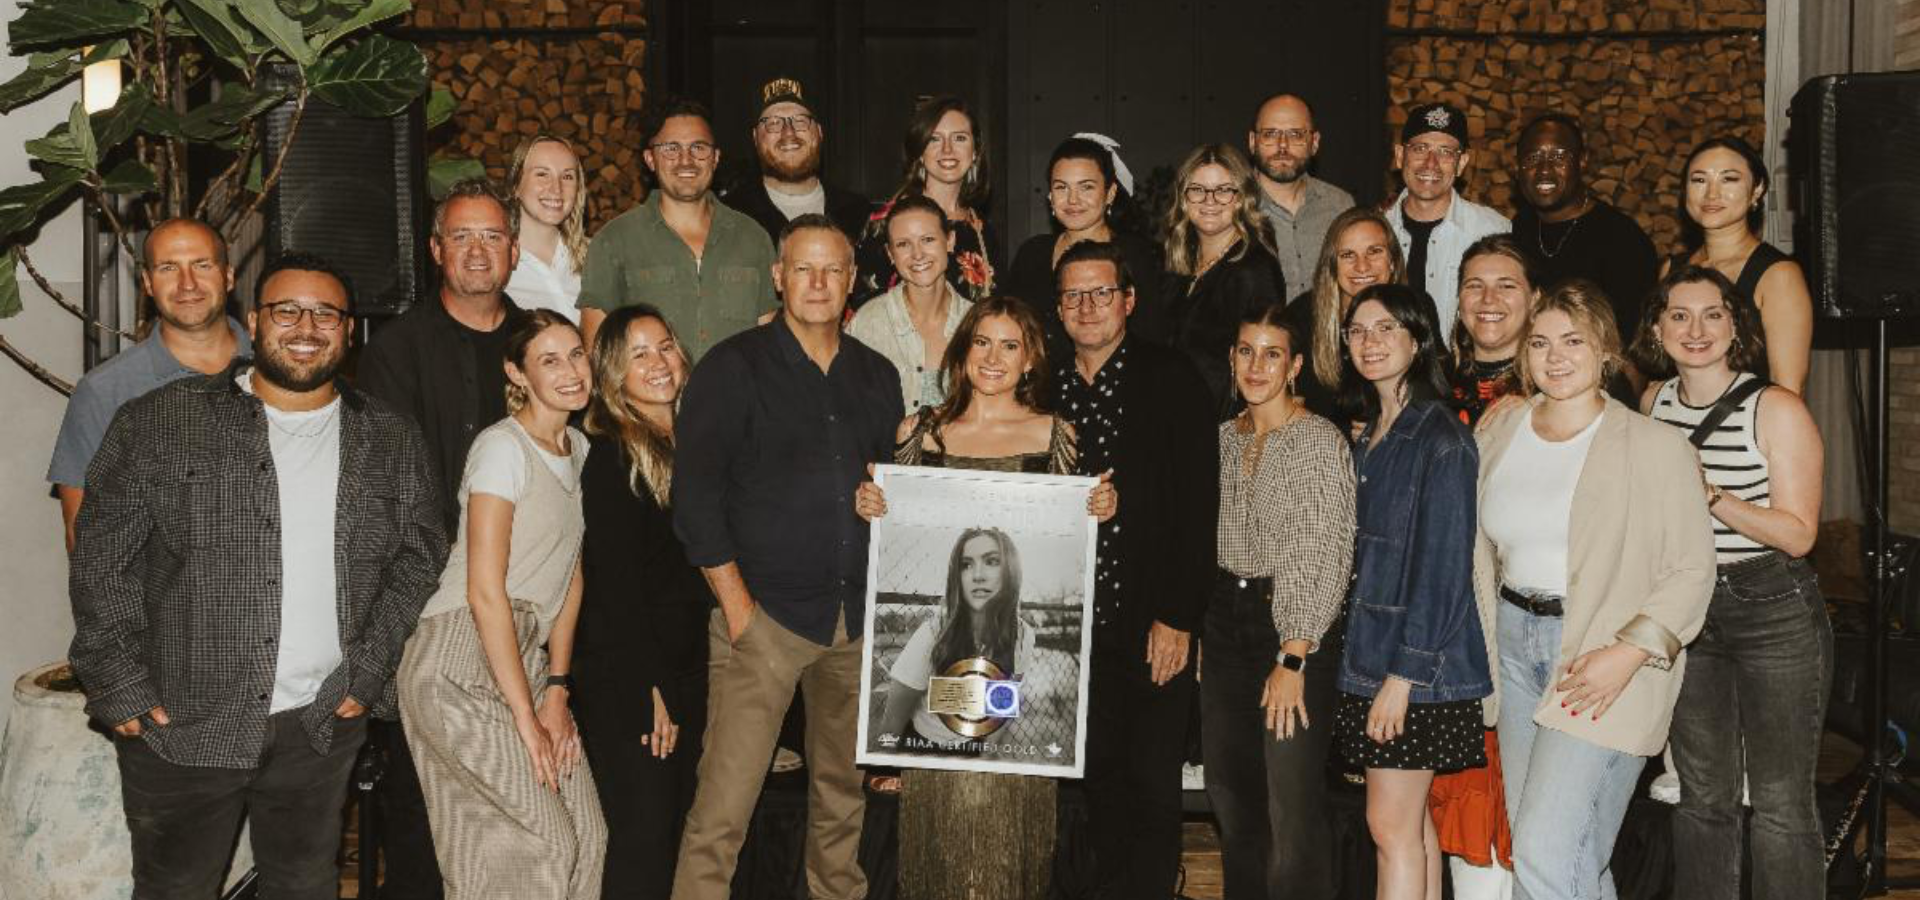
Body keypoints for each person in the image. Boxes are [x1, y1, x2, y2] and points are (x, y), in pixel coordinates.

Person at [68, 253, 446, 900]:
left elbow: (419, 556)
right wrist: (119, 685)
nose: (307, 325)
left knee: (303, 885)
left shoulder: (389, 439)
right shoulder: (162, 422)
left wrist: (370, 669)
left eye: (326, 313)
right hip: (181, 725)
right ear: (254, 321)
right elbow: (103, 559)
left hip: (320, 726)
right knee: (174, 890)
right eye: (287, 310)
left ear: (349, 331)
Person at [668, 214, 904, 900]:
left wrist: (877, 501)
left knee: (842, 802)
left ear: (852, 280)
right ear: (779, 276)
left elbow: (885, 484)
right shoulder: (732, 367)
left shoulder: (877, 375)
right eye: (804, 268)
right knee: (722, 811)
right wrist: (738, 609)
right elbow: (695, 500)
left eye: (833, 269)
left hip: (852, 623)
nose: (818, 282)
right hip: (761, 620)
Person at [854, 295, 1118, 900]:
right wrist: (870, 505)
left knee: (1005, 842)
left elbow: (1071, 537)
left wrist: (1100, 507)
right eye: (981, 342)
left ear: (1030, 360)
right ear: (961, 351)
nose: (993, 357)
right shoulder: (919, 434)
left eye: (1009, 345)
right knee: (942, 841)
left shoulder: (1057, 435)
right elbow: (895, 523)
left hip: (1013, 672)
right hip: (944, 675)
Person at [1475, 281, 1715, 900]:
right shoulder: (1500, 429)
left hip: (1601, 658)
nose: (1556, 356)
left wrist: (1629, 653)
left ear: (1606, 349)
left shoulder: (1656, 446)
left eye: (1573, 341)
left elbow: (1692, 569)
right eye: (1541, 342)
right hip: (1512, 648)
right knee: (1564, 856)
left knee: (1547, 853)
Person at [358, 178, 531, 897]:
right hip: (430, 610)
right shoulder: (393, 351)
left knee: (520, 796)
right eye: (461, 236)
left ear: (515, 251)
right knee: (424, 806)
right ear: (436, 251)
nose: (478, 251)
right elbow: (386, 490)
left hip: (531, 601)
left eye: (492, 236)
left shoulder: (543, 342)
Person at [1635, 266, 1830, 900]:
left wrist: (1712, 496)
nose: (1696, 329)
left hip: (1772, 604)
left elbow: (1800, 535)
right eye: (1679, 315)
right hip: (1689, 607)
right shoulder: (1653, 403)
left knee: (1778, 800)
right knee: (1702, 795)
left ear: (1735, 326)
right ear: (1658, 329)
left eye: (1713, 314)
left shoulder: (1774, 406)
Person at [397, 309, 607, 897]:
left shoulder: (581, 450)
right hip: (460, 654)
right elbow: (485, 589)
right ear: (517, 373)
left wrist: (557, 690)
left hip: (527, 654)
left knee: (588, 840)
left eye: (576, 354)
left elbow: (571, 578)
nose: (569, 371)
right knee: (538, 844)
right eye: (549, 360)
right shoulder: (501, 448)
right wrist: (524, 714)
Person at [1050, 239, 1217, 900]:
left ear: (1128, 300)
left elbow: (1198, 508)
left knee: (1151, 788)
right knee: (1095, 788)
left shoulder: (1171, 378)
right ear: (1058, 307)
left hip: (1150, 622)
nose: (1087, 306)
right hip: (1063, 630)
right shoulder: (1044, 381)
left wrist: (1178, 617)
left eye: (1100, 292)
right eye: (1073, 294)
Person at [1333, 283, 1490, 900]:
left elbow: (1444, 569)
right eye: (1357, 331)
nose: (1369, 342)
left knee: (1389, 824)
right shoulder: (1371, 433)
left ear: (1418, 339)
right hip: (1372, 658)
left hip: (1413, 668)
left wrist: (1402, 677)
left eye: (1386, 328)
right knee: (1411, 824)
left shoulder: (1440, 438)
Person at [1203, 300, 1356, 900]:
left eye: (1272, 354)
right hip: (1224, 625)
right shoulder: (1219, 439)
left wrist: (1293, 655)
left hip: (1290, 627)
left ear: (1294, 366)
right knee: (1234, 802)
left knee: (1289, 810)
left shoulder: (1318, 442)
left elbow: (1322, 551)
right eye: (1246, 351)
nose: (1257, 365)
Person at [573, 304, 715, 897]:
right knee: (642, 843)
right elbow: (616, 585)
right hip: (633, 677)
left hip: (686, 666)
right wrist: (649, 688)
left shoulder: (695, 443)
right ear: (612, 373)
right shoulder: (612, 456)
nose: (658, 362)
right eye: (639, 354)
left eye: (665, 346)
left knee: (676, 833)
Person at [48, 218, 251, 553]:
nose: (188, 284)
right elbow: (86, 542)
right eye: (168, 268)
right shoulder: (105, 391)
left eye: (202, 265)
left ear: (228, 276)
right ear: (147, 283)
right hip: (157, 604)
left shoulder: (277, 374)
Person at [579, 96, 776, 359]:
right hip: (651, 400)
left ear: (715, 158)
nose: (686, 160)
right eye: (671, 148)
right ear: (650, 159)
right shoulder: (613, 241)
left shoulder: (753, 238)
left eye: (699, 148)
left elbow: (770, 343)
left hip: (740, 399)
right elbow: (597, 348)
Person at [1509, 113, 1658, 377]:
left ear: (1582, 161)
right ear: (1518, 167)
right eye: (1533, 158)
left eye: (1558, 157)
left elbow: (1634, 348)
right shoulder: (1520, 228)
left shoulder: (1621, 238)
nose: (1544, 169)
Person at [1665, 135, 1813, 394]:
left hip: (1748, 429)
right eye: (1699, 180)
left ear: (1757, 189)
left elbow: (1788, 388)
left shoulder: (1778, 275)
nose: (1712, 193)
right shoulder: (1670, 269)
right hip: (1674, 425)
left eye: (1729, 179)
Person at [1005, 135, 1166, 352]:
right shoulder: (1032, 253)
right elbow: (1009, 330)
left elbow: (1151, 339)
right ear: (1050, 196)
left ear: (1110, 193)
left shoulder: (1133, 254)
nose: (1073, 200)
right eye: (1061, 187)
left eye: (1086, 187)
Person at [1161, 143, 1288, 414]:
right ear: (1184, 199)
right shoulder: (1178, 266)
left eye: (1223, 191)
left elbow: (1268, 361)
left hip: (1225, 428)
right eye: (1197, 190)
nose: (1209, 201)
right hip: (1176, 421)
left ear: (1241, 198)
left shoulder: (1255, 269)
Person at [855, 95, 998, 308]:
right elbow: (862, 305)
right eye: (934, 139)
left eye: (959, 138)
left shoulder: (980, 228)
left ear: (975, 151)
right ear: (920, 152)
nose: (947, 149)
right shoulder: (886, 221)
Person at [1385, 103, 1510, 339]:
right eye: (1420, 148)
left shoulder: (1494, 230)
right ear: (1400, 156)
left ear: (1461, 163)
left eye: (1445, 152)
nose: (1431, 163)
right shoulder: (1378, 232)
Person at [847, 195, 973, 413]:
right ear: (890, 254)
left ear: (950, 241)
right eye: (903, 244)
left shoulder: (976, 321)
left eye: (928, 240)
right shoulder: (868, 323)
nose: (917, 254)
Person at [1288, 206, 1406, 421]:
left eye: (1374, 251)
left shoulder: (1416, 308)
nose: (1362, 266)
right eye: (1348, 255)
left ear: (1393, 260)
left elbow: (1434, 390)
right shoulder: (1303, 315)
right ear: (1332, 265)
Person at [723, 77, 872, 243]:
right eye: (773, 123)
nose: (788, 132)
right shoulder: (726, 216)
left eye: (800, 120)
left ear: (820, 132)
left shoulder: (859, 214)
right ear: (755, 137)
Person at [1247, 93, 1356, 293]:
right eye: (1270, 133)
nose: (1282, 145)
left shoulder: (1340, 205)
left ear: (1314, 142)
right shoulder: (1231, 206)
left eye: (1295, 134)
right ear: (1253, 141)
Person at [1448, 235, 1539, 427]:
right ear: (1459, 298)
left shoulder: (1556, 383)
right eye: (1474, 285)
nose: (1488, 298)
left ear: (1535, 299)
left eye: (1506, 286)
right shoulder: (1433, 382)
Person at [505, 133, 589, 323]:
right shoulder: (496, 267)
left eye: (567, 176)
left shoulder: (597, 258)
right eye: (542, 174)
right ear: (516, 185)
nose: (556, 188)